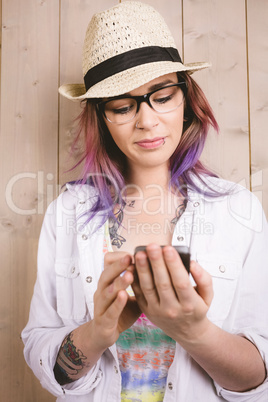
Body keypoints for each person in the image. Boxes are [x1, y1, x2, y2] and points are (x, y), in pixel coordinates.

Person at [22, 2, 268, 401]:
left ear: (186, 99)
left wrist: (195, 331)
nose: (147, 121)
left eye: (163, 96)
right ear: (101, 118)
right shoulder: (67, 213)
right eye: (122, 106)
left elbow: (259, 381)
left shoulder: (238, 210)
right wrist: (98, 332)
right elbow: (45, 361)